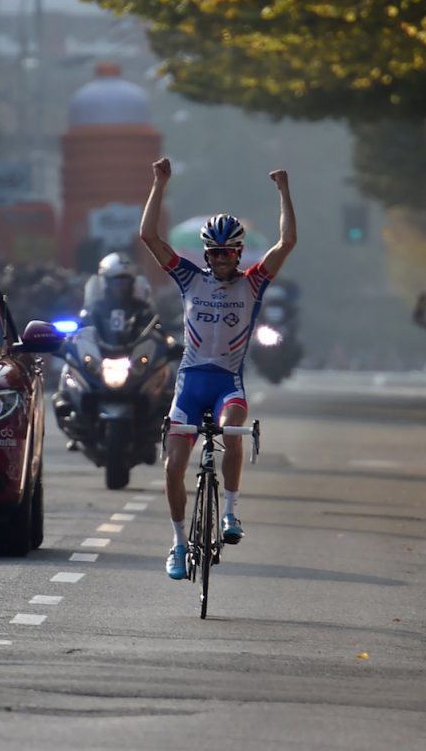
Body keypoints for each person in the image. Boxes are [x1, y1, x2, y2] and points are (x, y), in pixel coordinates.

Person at [139, 156, 296, 580]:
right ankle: (177, 544)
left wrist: (283, 192)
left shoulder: (253, 283)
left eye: (227, 252)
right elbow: (149, 236)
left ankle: (230, 513)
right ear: (206, 254)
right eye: (214, 252)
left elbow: (286, 244)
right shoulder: (190, 279)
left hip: (227, 382)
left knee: (231, 428)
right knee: (173, 467)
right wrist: (160, 183)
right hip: (190, 383)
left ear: (239, 252)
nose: (221, 258)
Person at [79, 252, 157, 344]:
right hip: (101, 353)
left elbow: (155, 330)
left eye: (126, 279)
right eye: (116, 279)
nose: (121, 284)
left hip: (134, 353)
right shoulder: (94, 309)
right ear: (106, 282)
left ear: (132, 282)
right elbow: (84, 330)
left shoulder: (142, 309)